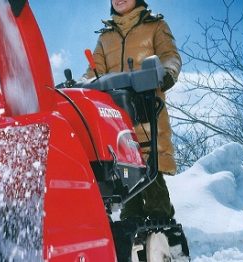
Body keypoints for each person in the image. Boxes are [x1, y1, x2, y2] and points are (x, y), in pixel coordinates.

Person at [84, 0, 181, 220]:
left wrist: (167, 73)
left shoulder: (155, 25)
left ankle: (166, 234)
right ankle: (131, 235)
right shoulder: (105, 37)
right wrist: (80, 86)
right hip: (114, 121)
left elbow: (170, 56)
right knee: (126, 182)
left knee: (150, 175)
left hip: (147, 113)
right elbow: (93, 72)